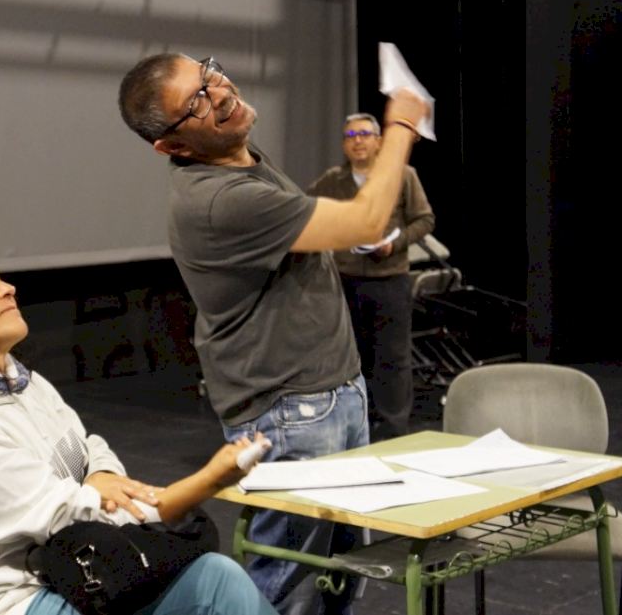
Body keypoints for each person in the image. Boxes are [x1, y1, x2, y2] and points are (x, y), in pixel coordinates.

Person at [118, 54, 429, 614]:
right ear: (172, 146)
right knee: (288, 585)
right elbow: (364, 221)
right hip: (291, 412)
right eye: (196, 101)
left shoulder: (240, 158)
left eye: (208, 74)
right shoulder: (220, 199)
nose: (218, 92)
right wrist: (402, 123)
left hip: (328, 395)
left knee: (337, 577)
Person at [0, 242, 278, 615]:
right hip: (20, 598)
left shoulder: (25, 383)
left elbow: (89, 448)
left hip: (82, 571)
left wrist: (99, 474)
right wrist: (206, 482)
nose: (7, 289)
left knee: (217, 577)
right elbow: (73, 515)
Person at [307, 113, 435, 439]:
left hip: (390, 279)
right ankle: (357, 424)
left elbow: (424, 220)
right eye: (350, 135)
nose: (358, 140)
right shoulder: (334, 180)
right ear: (344, 145)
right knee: (351, 356)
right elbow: (306, 209)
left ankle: (393, 429)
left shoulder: (402, 175)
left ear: (378, 141)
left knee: (392, 357)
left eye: (364, 134)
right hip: (345, 280)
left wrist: (395, 243)